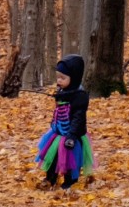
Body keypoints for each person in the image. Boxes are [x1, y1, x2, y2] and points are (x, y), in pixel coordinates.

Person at [35, 54, 93, 188]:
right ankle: (50, 179)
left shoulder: (79, 97)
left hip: (72, 135)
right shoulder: (63, 91)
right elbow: (59, 110)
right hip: (58, 133)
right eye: (58, 77)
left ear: (74, 78)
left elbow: (78, 119)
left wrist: (72, 135)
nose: (59, 81)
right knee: (52, 157)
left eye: (63, 78)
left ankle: (70, 182)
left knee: (70, 161)